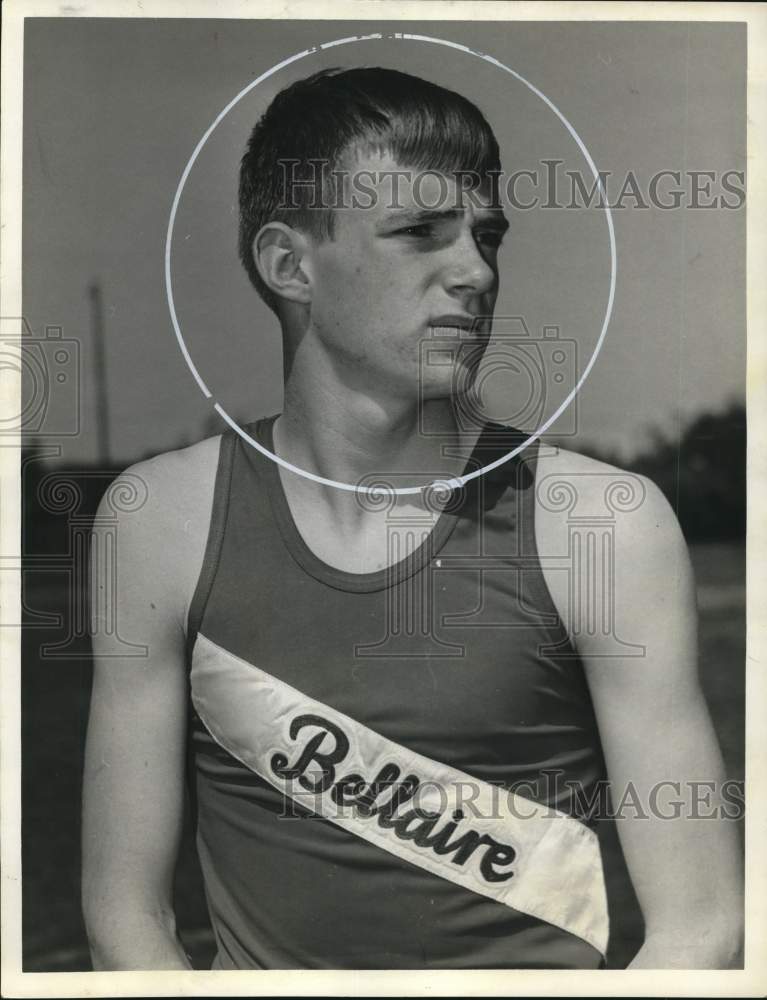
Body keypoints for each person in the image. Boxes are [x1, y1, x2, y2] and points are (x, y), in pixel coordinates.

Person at [81, 67, 743, 970]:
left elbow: (699, 927)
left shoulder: (600, 524)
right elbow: (126, 918)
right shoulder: (158, 521)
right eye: (419, 234)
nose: (474, 271)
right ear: (288, 264)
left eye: (486, 235)